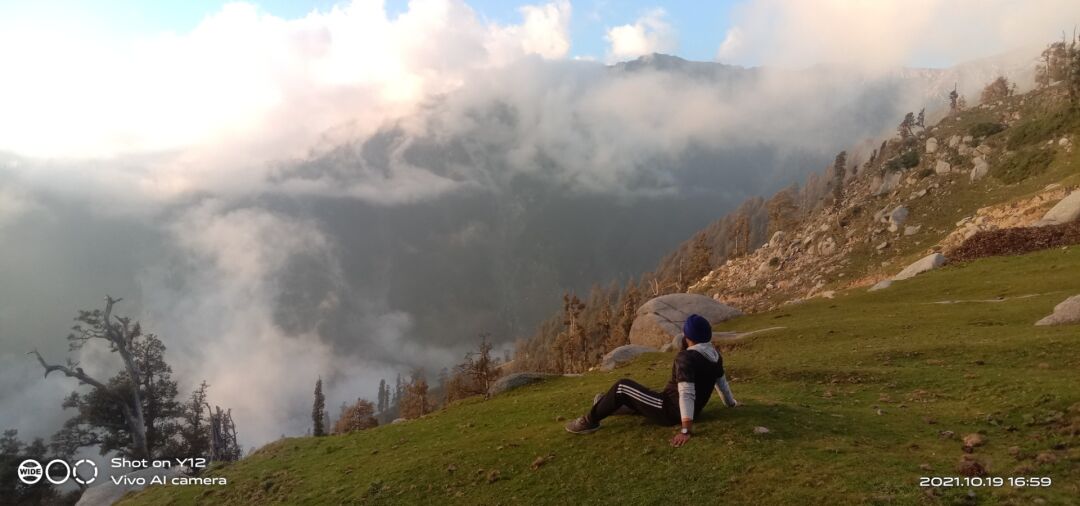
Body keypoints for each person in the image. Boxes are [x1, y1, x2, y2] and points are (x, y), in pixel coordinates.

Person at [564, 314, 738, 447]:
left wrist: (685, 430)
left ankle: (589, 421)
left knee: (622, 387)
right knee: (643, 394)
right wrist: (731, 404)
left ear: (688, 337)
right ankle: (608, 405)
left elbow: (686, 393)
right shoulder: (714, 356)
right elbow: (722, 383)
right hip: (689, 410)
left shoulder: (687, 358)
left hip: (670, 410)